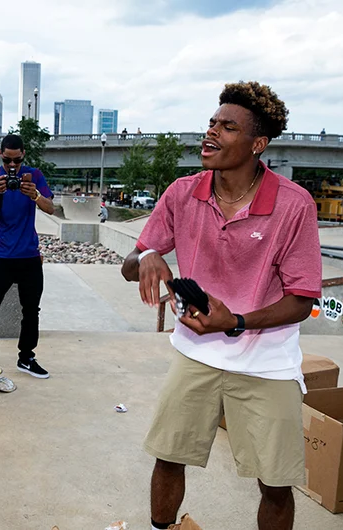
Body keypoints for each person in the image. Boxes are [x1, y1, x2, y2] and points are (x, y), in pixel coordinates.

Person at [120, 81, 321, 530]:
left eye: (228, 127)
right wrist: (149, 255)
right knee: (169, 457)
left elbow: (302, 299)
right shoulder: (182, 192)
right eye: (212, 122)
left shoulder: (294, 205)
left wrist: (237, 322)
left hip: (266, 362)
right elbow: (130, 266)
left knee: (275, 483)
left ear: (258, 144)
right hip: (195, 352)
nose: (210, 133)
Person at [0, 134, 55, 378]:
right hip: (1, 255)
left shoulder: (35, 175)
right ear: (0, 154)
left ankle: (26, 357)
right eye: (7, 160)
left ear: (23, 155)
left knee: (31, 309)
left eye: (16, 160)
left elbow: (51, 208)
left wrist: (36, 196)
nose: (11, 166)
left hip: (29, 255)